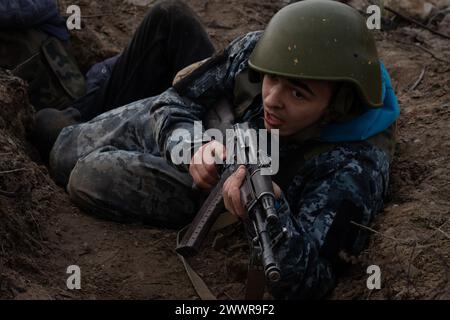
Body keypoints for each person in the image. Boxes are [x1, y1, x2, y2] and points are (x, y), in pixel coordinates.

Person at [49, 0, 400, 299]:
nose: (272, 100)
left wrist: (270, 213)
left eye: (298, 94)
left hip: (222, 195)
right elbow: (178, 100)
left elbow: (313, 279)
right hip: (206, 139)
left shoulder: (354, 167)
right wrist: (192, 145)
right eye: (271, 79)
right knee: (62, 152)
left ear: (337, 105)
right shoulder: (265, 51)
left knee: (87, 176)